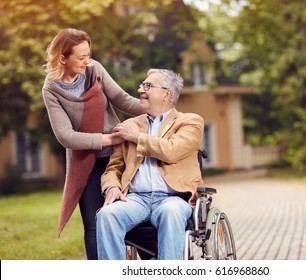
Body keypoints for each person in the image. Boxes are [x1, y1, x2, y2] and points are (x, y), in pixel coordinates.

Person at [42, 28, 144, 260]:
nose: (87, 61)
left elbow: (122, 100)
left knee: (134, 214)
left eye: (89, 54)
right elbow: (66, 136)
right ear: (62, 58)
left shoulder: (94, 70)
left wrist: (156, 106)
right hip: (86, 162)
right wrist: (107, 139)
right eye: (81, 57)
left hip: (119, 157)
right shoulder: (51, 90)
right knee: (94, 223)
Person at [96, 68, 204, 260]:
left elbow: (171, 150)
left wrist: (137, 137)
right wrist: (112, 187)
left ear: (167, 93)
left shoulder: (190, 122)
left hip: (173, 198)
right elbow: (114, 168)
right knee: (106, 215)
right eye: (141, 85)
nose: (140, 90)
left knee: (171, 212)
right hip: (136, 199)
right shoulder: (132, 125)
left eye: (147, 86)